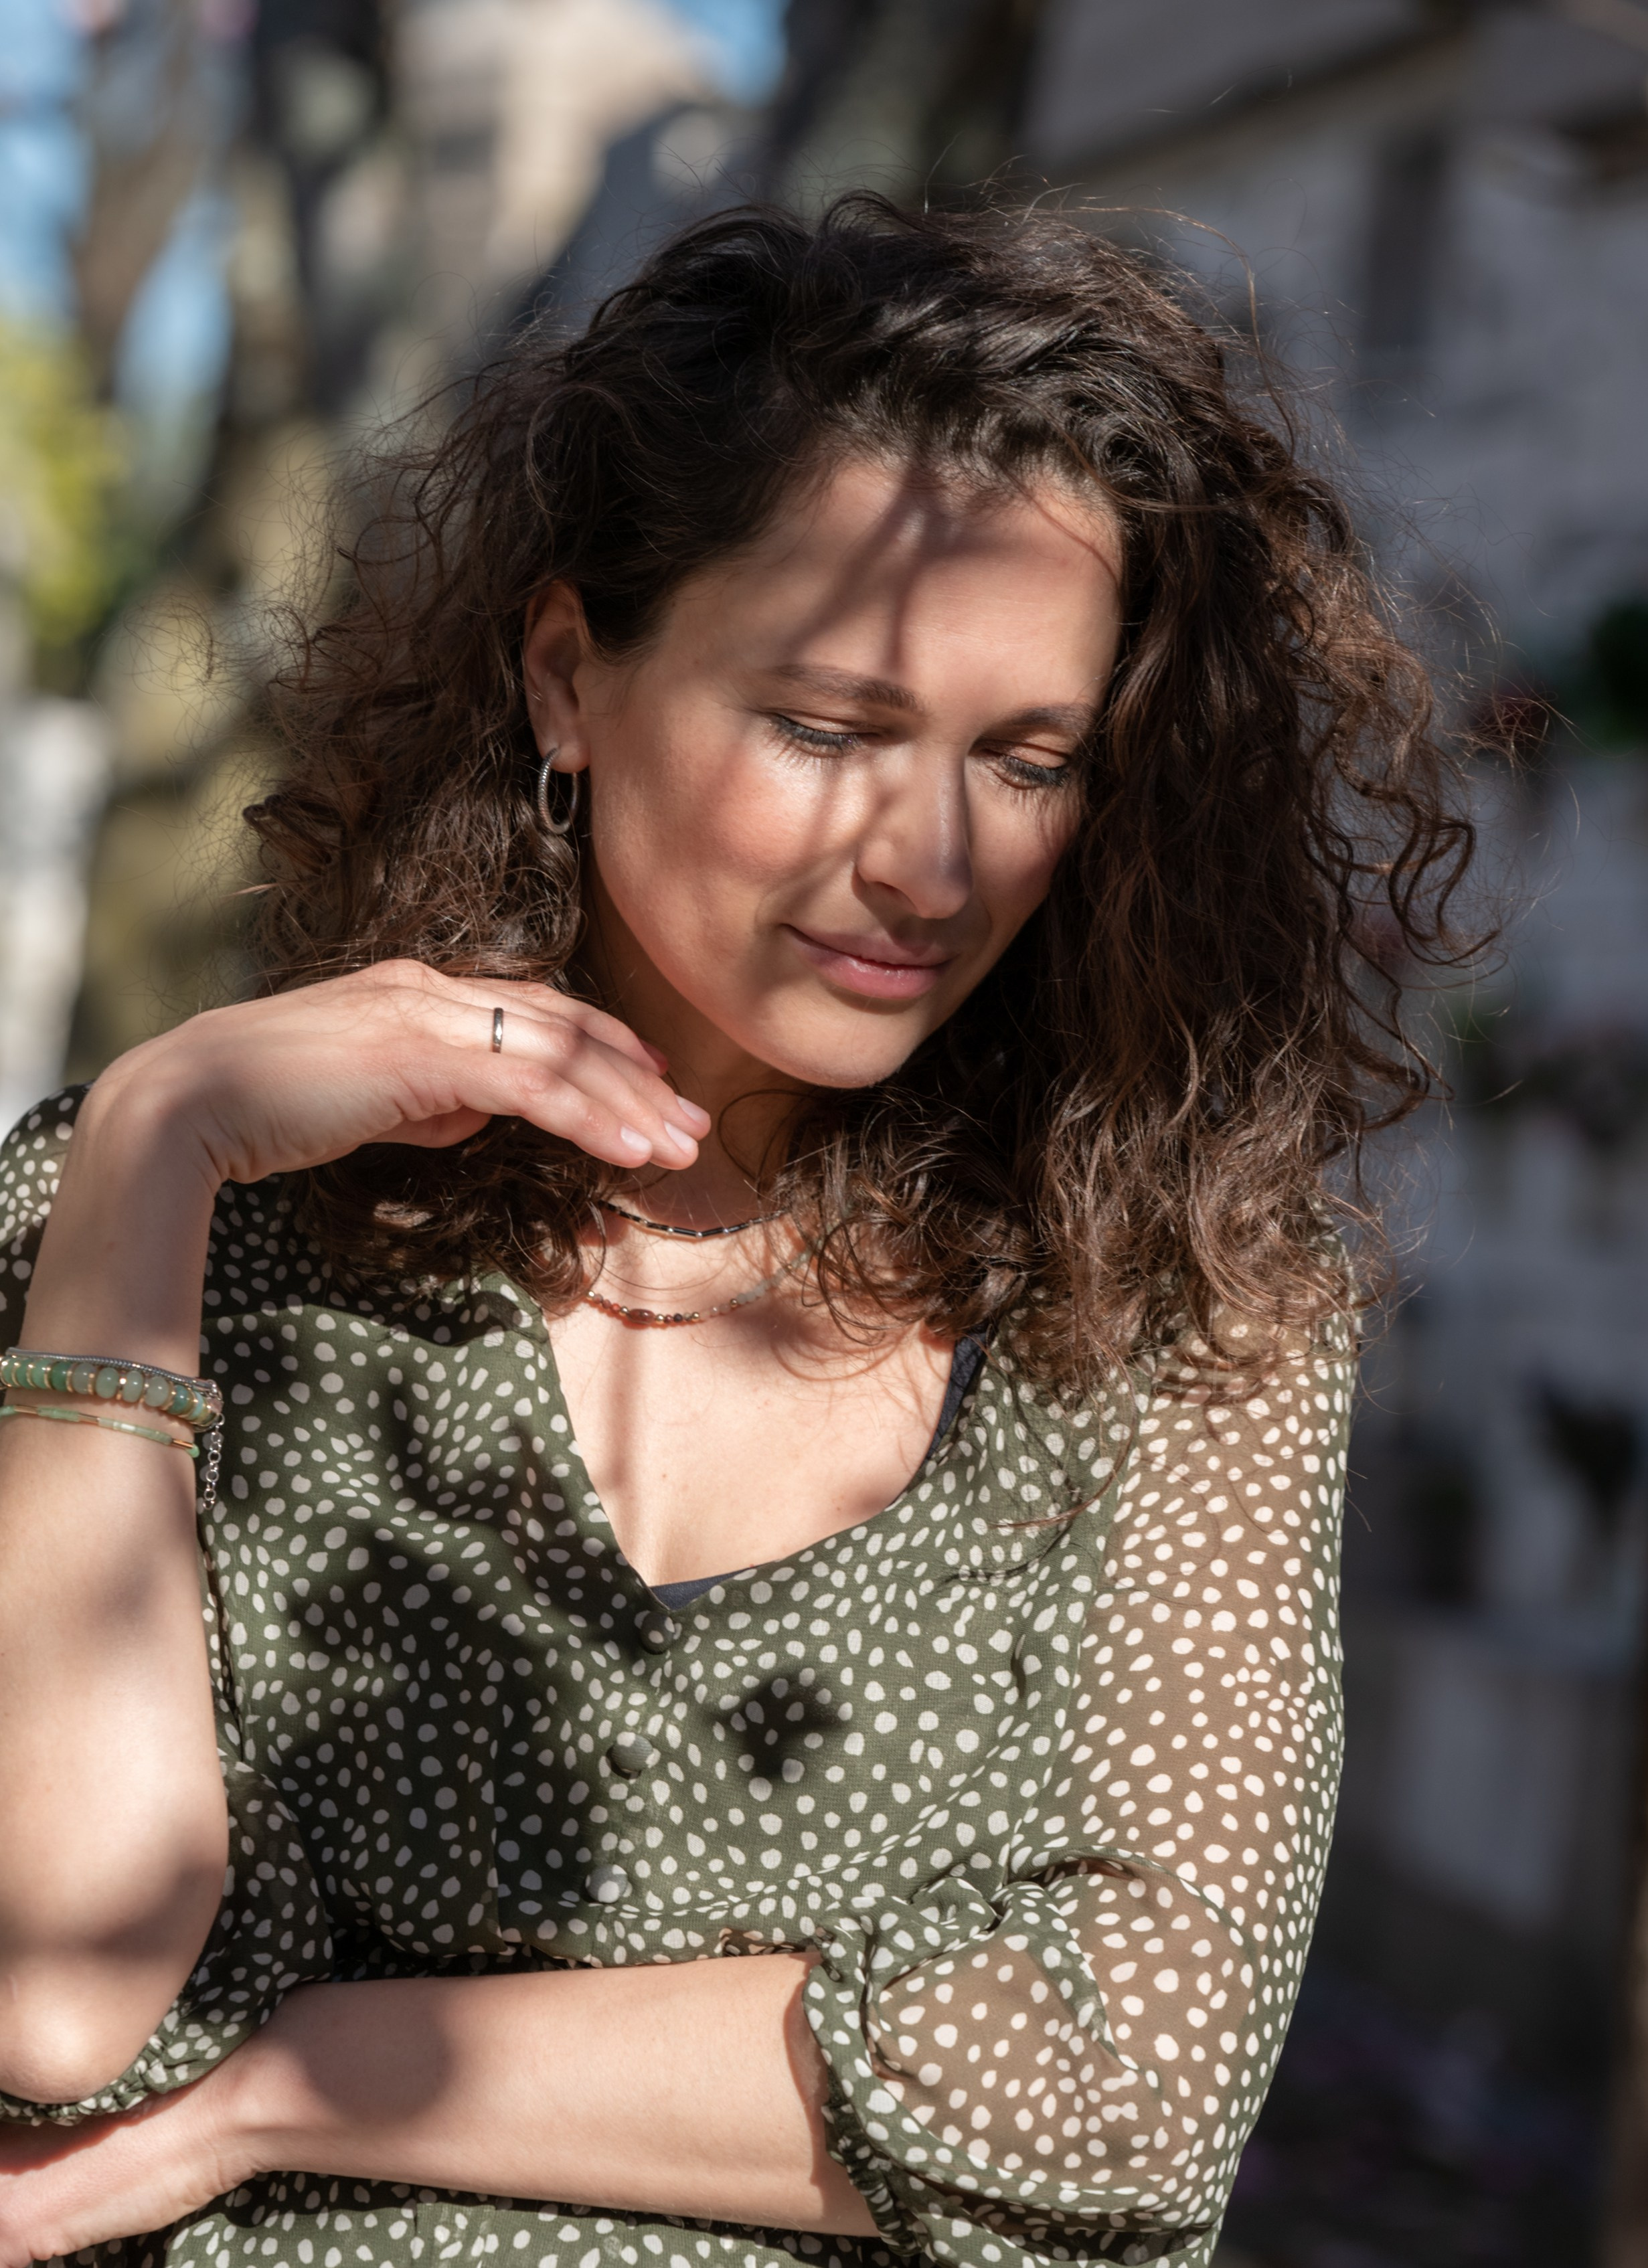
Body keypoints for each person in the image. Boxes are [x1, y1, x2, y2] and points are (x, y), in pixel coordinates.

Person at [0, 196, 1470, 2268]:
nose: (931, 860)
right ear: (566, 676)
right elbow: (53, 2003)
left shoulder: (1169, 1307)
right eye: (829, 727)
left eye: (1026, 758)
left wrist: (280, 2080)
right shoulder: (170, 1231)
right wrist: (147, 1149)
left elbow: (1120, 2093)